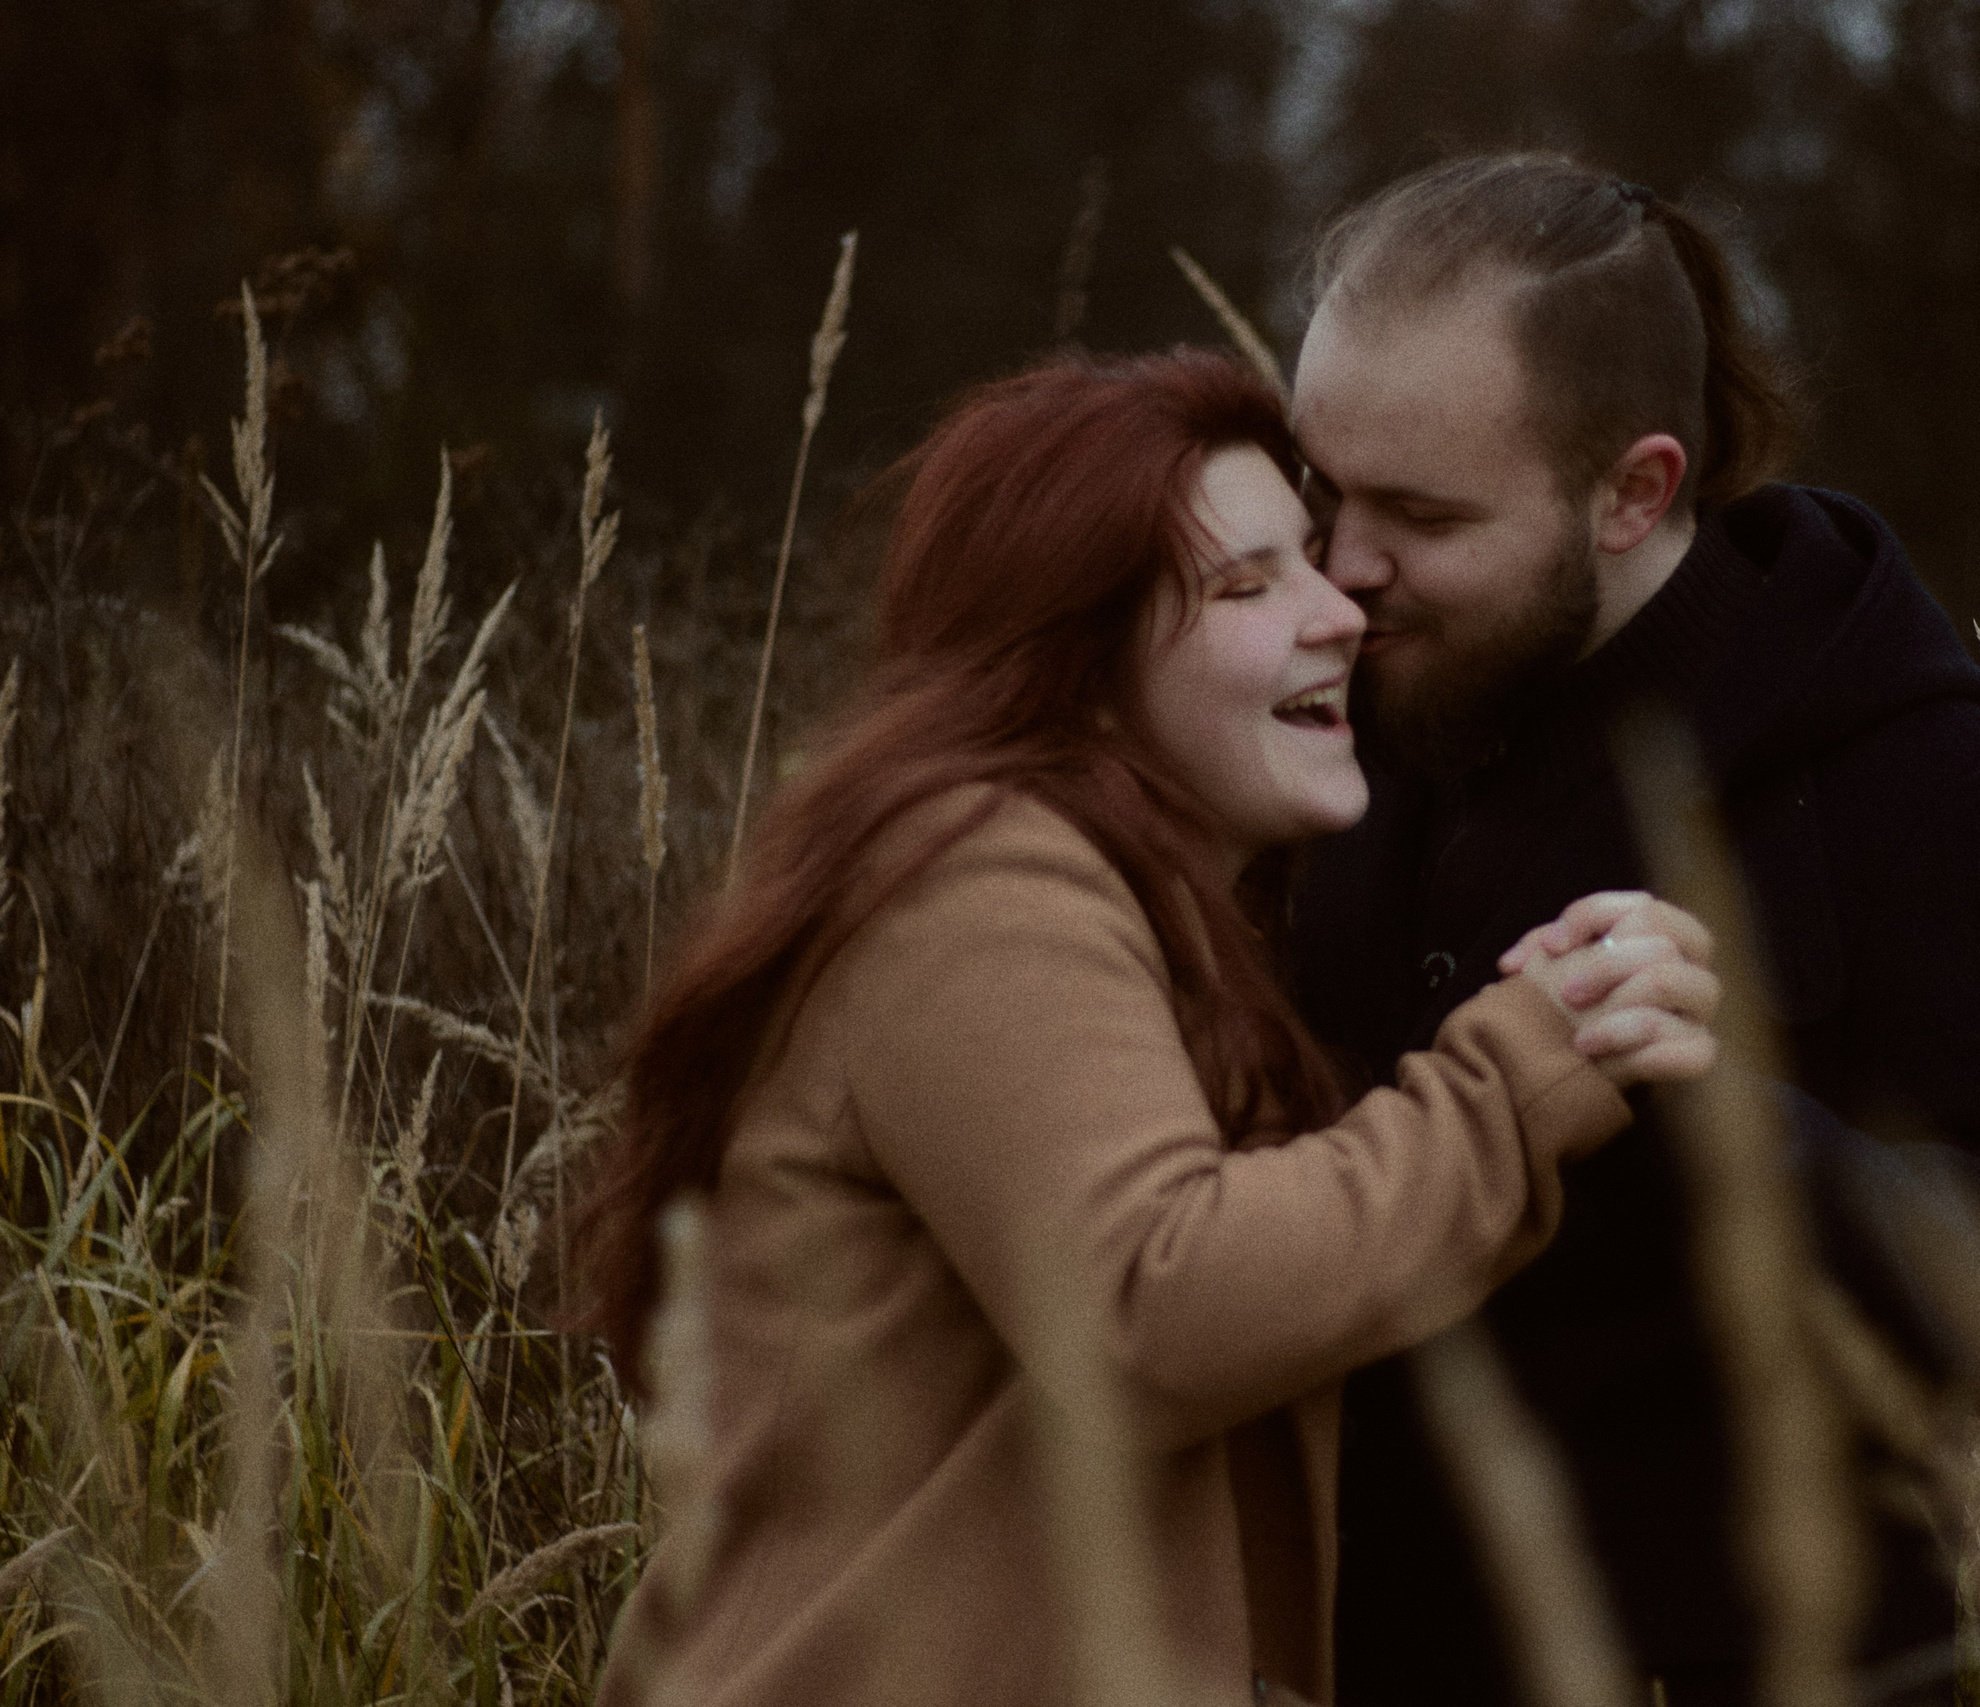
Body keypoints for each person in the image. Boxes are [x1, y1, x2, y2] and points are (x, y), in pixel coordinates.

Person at [569, 347, 1723, 1707]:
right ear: (1077, 662)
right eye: (1248, 583)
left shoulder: (1157, 914)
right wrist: (1523, 1067)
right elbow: (1154, 1308)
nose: (1341, 606)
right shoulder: (975, 880)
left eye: (1309, 556)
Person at [1284, 153, 1980, 1705]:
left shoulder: (1931, 795)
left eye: (1416, 514)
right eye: (1322, 489)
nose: (1344, 571)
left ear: (1636, 490)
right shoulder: (1315, 718)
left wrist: (1749, 1129)